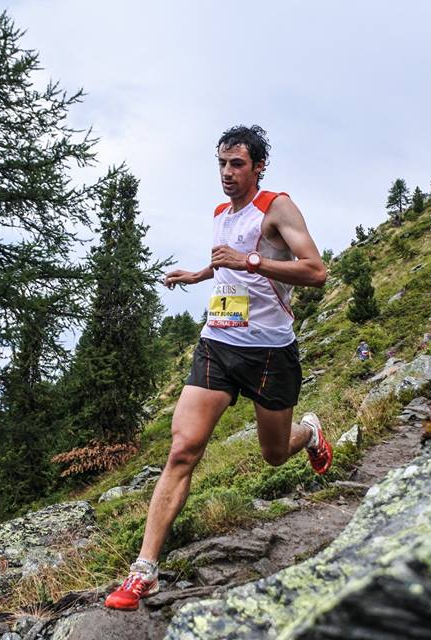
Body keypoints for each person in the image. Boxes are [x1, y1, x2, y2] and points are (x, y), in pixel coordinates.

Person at [104, 125, 332, 611]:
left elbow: (315, 271)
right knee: (182, 450)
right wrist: (199, 273)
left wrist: (251, 261)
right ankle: (144, 570)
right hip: (218, 344)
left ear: (259, 167)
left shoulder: (277, 207)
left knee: (274, 454)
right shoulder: (220, 214)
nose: (227, 173)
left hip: (269, 352)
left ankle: (310, 433)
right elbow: (227, 261)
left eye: (237, 165)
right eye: (222, 164)